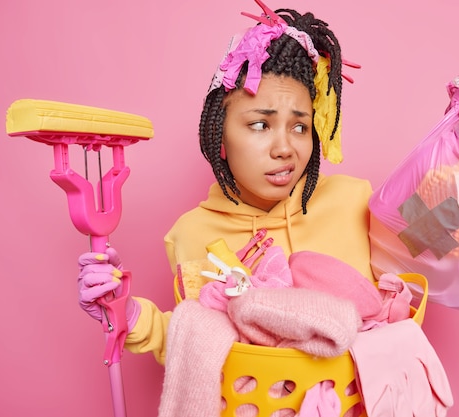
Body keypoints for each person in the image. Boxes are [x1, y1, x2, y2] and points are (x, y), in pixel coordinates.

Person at [77, 0, 373, 369]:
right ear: (220, 137)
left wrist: (457, 159)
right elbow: (198, 340)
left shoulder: (356, 201)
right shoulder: (191, 234)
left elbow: (433, 240)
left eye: (300, 127)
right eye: (260, 125)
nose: (285, 149)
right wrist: (128, 312)